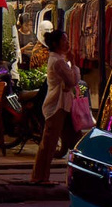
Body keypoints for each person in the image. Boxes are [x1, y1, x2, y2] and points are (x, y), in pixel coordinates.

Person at [27, 29, 82, 185]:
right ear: (56, 43)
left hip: (64, 105)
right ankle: (39, 177)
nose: (67, 43)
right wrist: (73, 63)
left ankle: (77, 175)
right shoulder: (58, 62)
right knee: (49, 143)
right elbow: (73, 81)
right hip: (57, 106)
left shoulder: (59, 59)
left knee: (74, 139)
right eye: (64, 40)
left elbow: (72, 81)